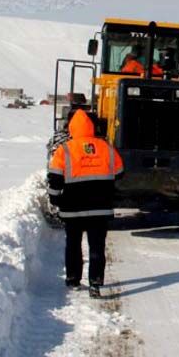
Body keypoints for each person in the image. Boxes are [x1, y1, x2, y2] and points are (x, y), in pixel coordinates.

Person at [47, 109, 124, 298]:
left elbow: (55, 179)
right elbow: (120, 171)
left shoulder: (64, 150)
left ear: (72, 128)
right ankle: (95, 283)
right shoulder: (106, 147)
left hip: (72, 210)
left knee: (73, 244)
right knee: (97, 246)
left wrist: (55, 199)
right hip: (100, 209)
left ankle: (73, 278)